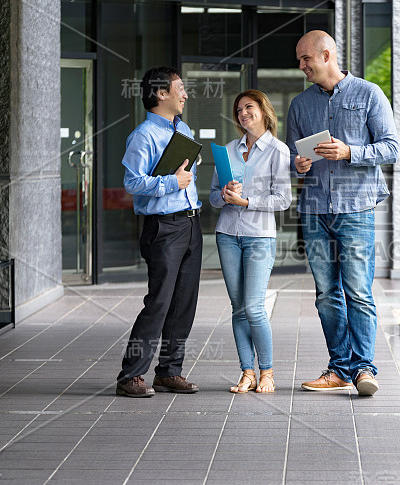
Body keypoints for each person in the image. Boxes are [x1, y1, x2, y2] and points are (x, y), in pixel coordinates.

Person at [287, 30, 398, 396]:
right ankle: (339, 369)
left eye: (306, 58)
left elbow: (391, 148)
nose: (301, 65)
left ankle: (364, 369)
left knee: (358, 291)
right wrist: (298, 164)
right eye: (300, 59)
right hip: (315, 208)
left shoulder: (368, 94)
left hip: (357, 208)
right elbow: (290, 156)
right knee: (325, 294)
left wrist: (351, 152)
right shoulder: (300, 105)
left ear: (327, 54)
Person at [116, 66, 202, 398]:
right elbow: (132, 183)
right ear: (160, 94)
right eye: (179, 88)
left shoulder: (185, 130)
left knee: (183, 304)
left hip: (191, 223)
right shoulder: (144, 135)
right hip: (163, 228)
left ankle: (169, 372)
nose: (185, 94)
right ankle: (131, 376)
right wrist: (171, 182)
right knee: (159, 302)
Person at [210, 90, 291, 394]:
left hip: (259, 237)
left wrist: (246, 201)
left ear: (263, 111)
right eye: (239, 109)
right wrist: (224, 194)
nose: (243, 113)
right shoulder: (228, 150)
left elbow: (283, 199)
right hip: (227, 234)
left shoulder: (278, 150)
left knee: (254, 307)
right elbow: (213, 197)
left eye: (249, 107)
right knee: (238, 308)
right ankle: (247, 372)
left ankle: (267, 372)